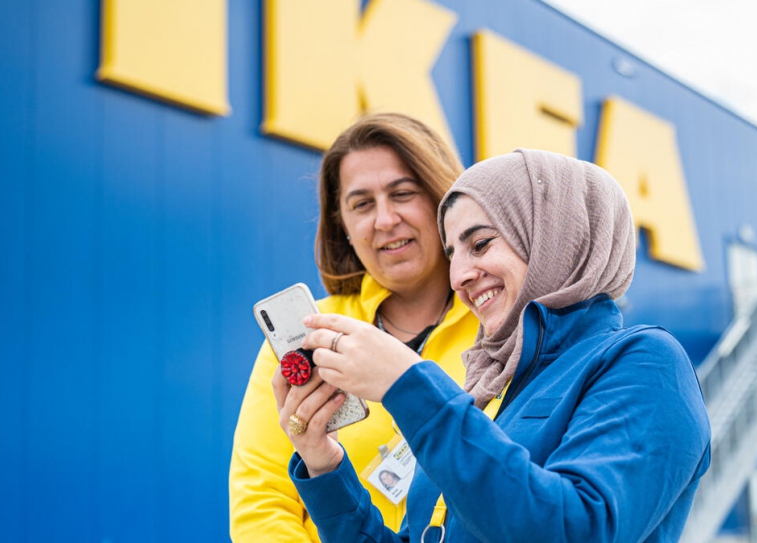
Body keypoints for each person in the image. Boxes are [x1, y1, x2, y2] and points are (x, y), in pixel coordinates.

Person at [275, 148, 712, 542]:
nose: (458, 276)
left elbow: (577, 530)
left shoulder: (646, 362)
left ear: (555, 237)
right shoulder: (494, 389)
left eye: (480, 244)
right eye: (453, 255)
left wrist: (407, 383)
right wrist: (324, 464)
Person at [229, 113, 480, 542]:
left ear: (445, 201)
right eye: (362, 204)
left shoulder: (501, 325)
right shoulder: (307, 336)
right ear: (342, 226)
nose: (384, 220)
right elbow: (262, 499)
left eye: (403, 193)